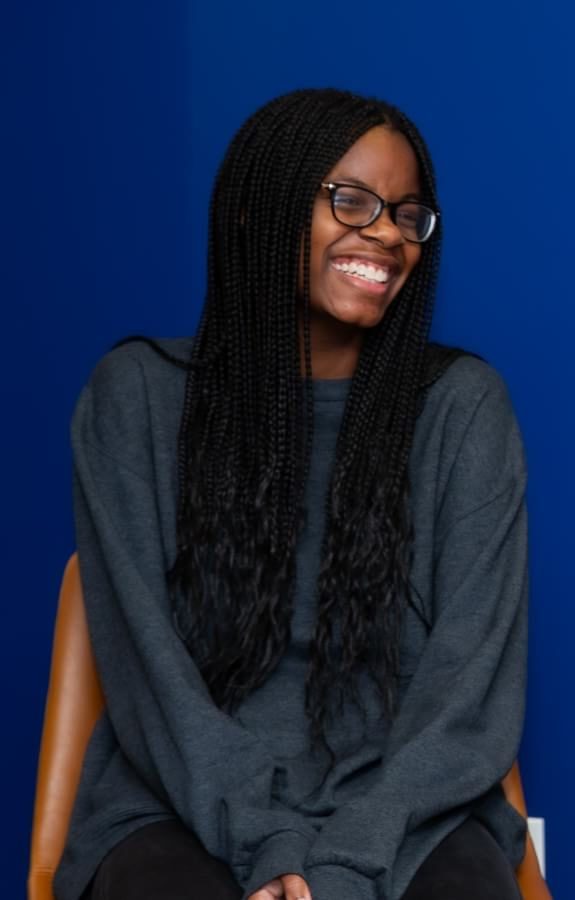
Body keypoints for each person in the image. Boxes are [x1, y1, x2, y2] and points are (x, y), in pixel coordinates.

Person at [59, 88, 530, 900]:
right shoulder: (135, 398)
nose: (385, 233)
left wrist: (351, 860)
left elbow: (470, 686)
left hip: (409, 822)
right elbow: (150, 675)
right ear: (255, 211)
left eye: (407, 213)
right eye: (350, 200)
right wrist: (265, 838)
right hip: (182, 808)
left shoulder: (462, 408)